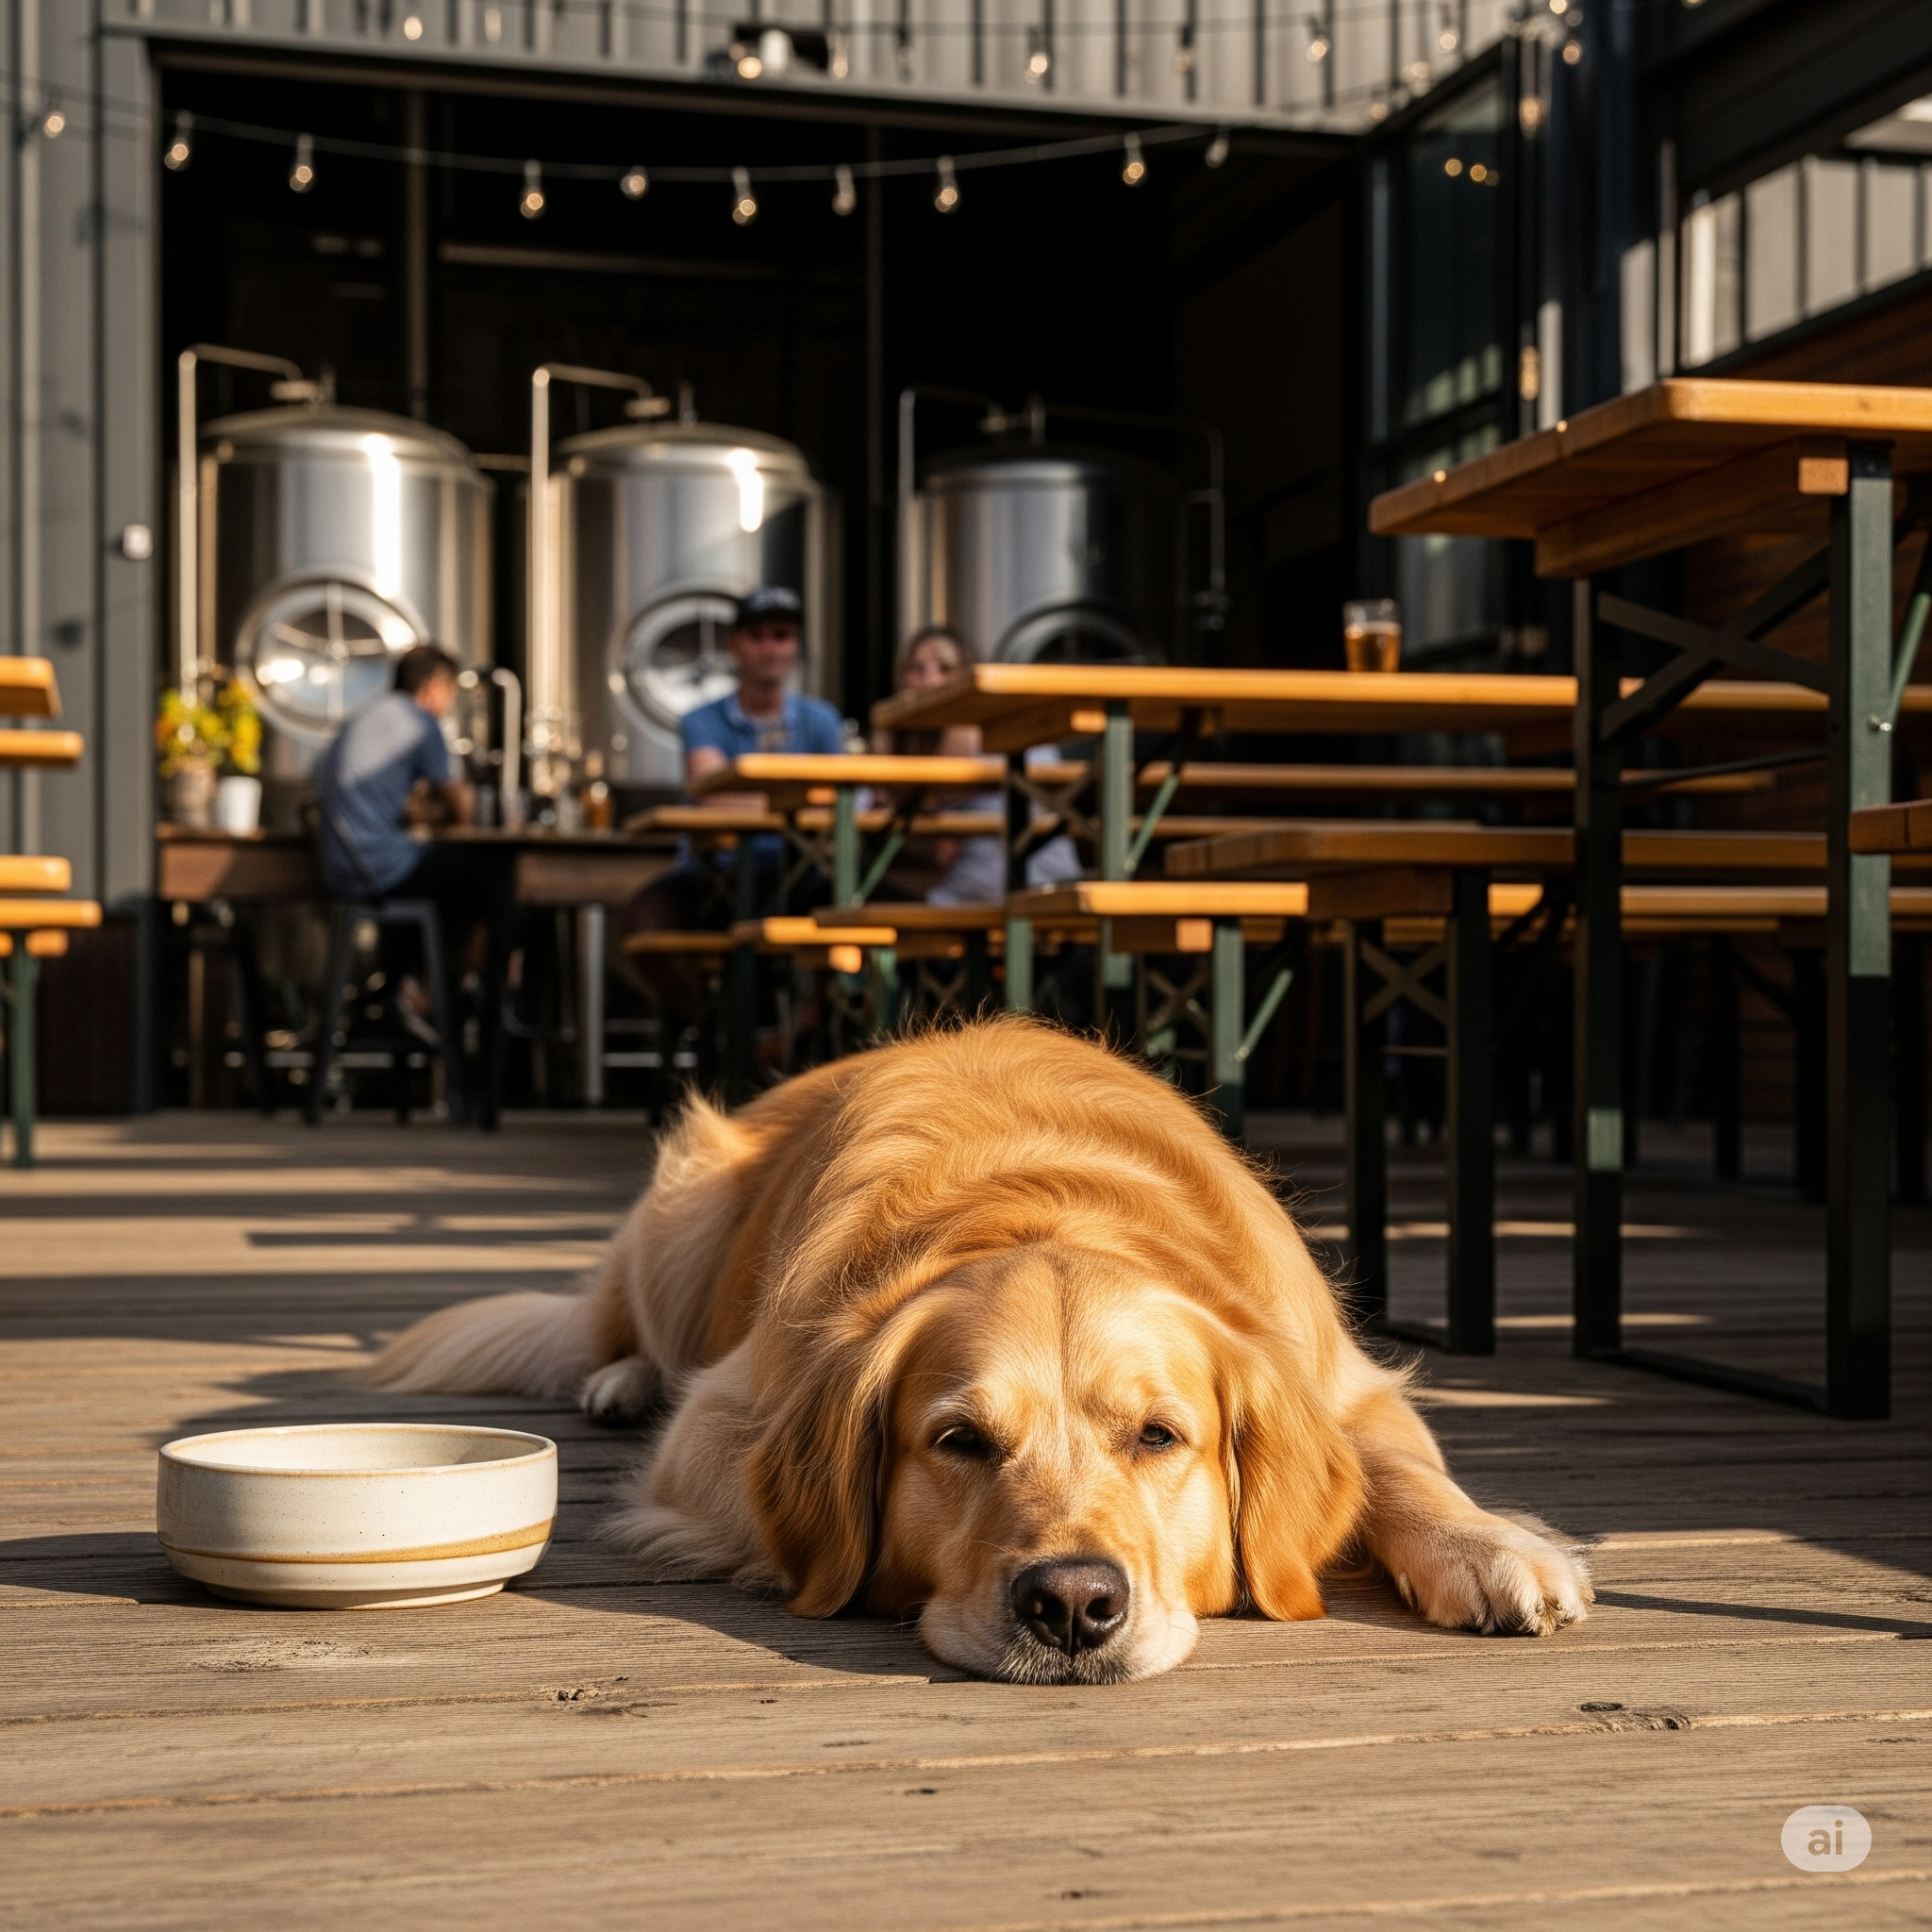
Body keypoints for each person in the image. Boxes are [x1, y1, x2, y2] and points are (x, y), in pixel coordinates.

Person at [314, 642, 511, 1125]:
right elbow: (462, 809)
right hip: (382, 869)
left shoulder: (363, 717)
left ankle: (413, 985)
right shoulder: (422, 724)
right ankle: (472, 1025)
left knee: (448, 883)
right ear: (435, 687)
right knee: (496, 881)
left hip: (343, 866)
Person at [876, 625, 1080, 906]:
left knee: (862, 893)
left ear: (967, 675)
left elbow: (921, 805)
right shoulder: (972, 729)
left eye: (945, 668)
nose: (929, 679)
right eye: (917, 668)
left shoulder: (970, 729)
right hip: (1034, 881)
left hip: (1009, 889)